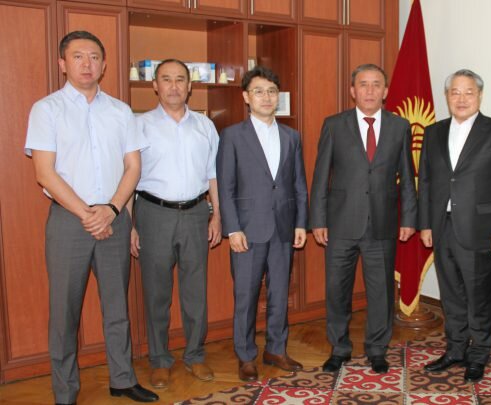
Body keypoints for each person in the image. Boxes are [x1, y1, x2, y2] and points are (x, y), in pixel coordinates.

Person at [24, 31, 158, 404]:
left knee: (117, 306)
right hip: (70, 221)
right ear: (62, 64)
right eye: (78, 56)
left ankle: (122, 379)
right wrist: (88, 214)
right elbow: (44, 173)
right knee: (64, 311)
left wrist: (111, 210)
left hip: (114, 217)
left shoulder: (120, 111)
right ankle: (65, 391)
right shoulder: (46, 109)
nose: (87, 64)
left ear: (104, 64)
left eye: (95, 57)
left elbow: (133, 167)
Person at [310, 63, 417, 374]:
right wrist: (318, 220)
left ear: (385, 91)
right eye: (363, 84)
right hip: (340, 224)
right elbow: (321, 176)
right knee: (337, 290)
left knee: (381, 291)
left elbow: (407, 176)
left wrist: (409, 218)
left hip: (382, 223)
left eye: (376, 84)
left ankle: (377, 349)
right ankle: (339, 348)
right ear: (353, 91)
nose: (370, 90)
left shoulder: (399, 126)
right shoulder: (334, 125)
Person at [418, 69, 491, 383]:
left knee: (480, 297)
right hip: (442, 227)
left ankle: (479, 354)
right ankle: (456, 349)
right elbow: (427, 182)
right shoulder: (434, 132)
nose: (461, 99)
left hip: (482, 230)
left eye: (468, 92)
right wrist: (425, 224)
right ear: (447, 96)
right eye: (455, 92)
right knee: (450, 295)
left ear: (480, 96)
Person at [130, 59, 222, 389]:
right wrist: (130, 225)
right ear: (155, 86)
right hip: (154, 214)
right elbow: (129, 176)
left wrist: (217, 215)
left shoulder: (205, 126)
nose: (173, 86)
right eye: (166, 79)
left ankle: (195, 355)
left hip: (196, 212)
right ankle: (159, 360)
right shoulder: (138, 125)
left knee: (195, 291)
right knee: (157, 292)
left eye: (180, 79)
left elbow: (213, 174)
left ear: (190, 86)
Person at [217, 66, 308, 381]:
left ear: (278, 97)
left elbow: (299, 184)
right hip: (247, 230)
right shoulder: (232, 136)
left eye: (271, 91)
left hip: (283, 228)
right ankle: (246, 356)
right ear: (246, 97)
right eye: (258, 91)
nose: (266, 97)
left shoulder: (291, 136)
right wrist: (232, 228)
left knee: (279, 293)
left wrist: (301, 224)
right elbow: (225, 187)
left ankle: (276, 349)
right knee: (246, 296)